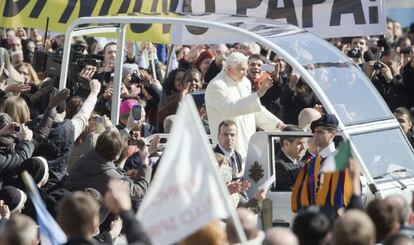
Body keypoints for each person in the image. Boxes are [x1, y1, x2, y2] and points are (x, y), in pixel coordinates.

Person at [205, 51, 285, 164]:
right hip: (229, 142)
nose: (245, 73)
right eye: (241, 69)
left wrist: (277, 124)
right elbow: (230, 108)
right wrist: (258, 94)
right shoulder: (216, 85)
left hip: (248, 140)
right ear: (229, 69)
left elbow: (255, 109)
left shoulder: (245, 82)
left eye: (245, 69)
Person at [291, 114, 352, 213]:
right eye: (314, 132)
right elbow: (302, 200)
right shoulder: (311, 163)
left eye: (320, 132)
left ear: (332, 134)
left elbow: (345, 200)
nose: (315, 135)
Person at [274, 125, 306, 191]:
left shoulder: (301, 164)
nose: (303, 147)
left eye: (303, 143)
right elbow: (289, 193)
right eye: (299, 143)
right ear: (286, 143)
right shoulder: (279, 166)